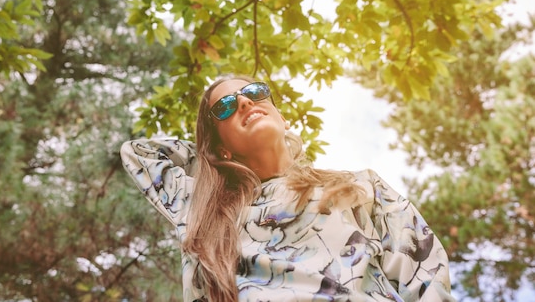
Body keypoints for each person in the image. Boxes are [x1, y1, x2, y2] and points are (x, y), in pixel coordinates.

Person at [120, 74, 455, 302]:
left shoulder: (356, 186)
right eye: (224, 107)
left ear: (283, 118)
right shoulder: (205, 208)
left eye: (254, 93)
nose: (244, 103)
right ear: (220, 147)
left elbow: (424, 271)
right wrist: (210, 157)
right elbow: (140, 154)